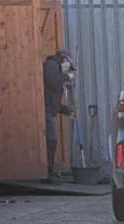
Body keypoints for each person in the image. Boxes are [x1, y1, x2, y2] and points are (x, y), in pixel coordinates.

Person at [42, 50, 76, 181]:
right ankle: (48, 173)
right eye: (69, 67)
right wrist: (68, 77)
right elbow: (52, 81)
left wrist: (66, 110)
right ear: (64, 61)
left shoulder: (56, 70)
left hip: (48, 110)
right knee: (51, 140)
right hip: (44, 111)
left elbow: (54, 102)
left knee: (51, 141)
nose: (68, 70)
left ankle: (50, 171)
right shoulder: (51, 65)